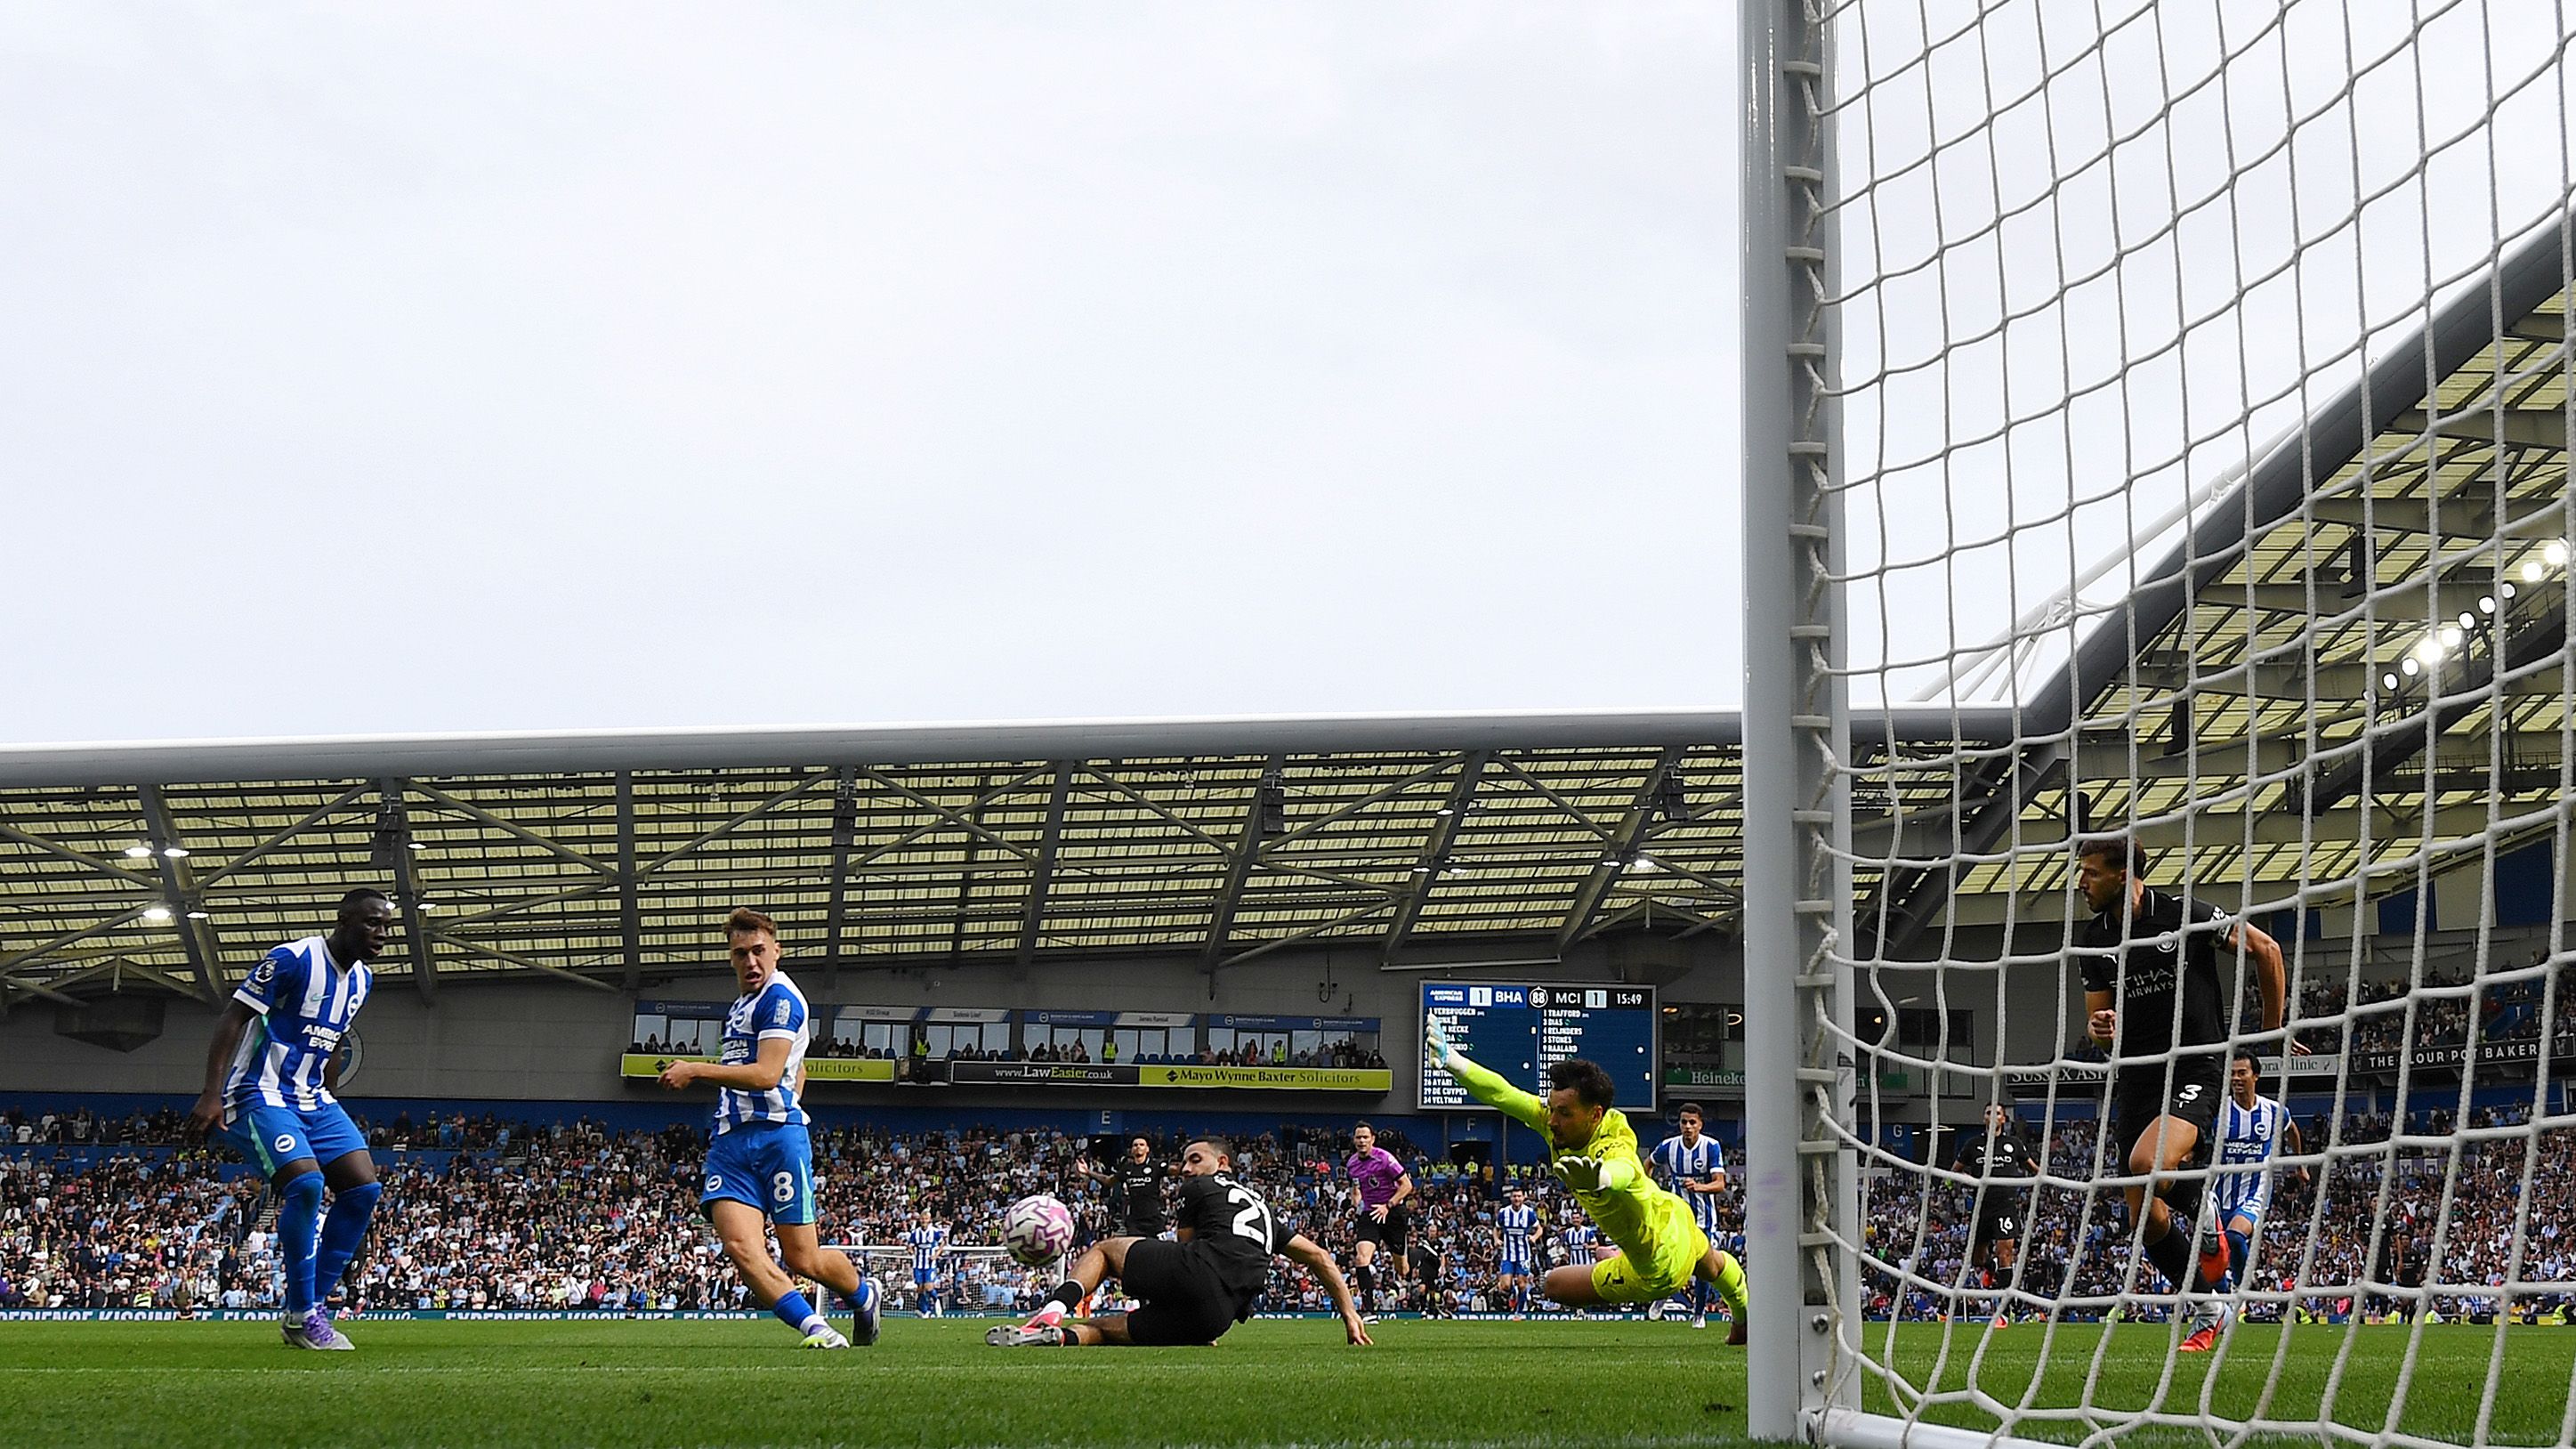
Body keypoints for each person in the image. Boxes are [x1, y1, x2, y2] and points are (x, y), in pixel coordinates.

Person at [2072, 835, 2292, 1354]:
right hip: (2137, 1077)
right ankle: (2208, 1305)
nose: (2081, 883)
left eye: (2091, 873)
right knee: (2142, 1219)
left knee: (2146, 1164)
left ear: (2124, 874)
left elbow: (2267, 950)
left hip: (2196, 1065)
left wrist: (2272, 1029)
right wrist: (2100, 1030)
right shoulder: (2094, 939)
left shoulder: (2182, 914)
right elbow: (2100, 1026)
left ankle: (2203, 1208)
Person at [1424, 1018, 1752, 1343]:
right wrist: (1454, 1061)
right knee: (1712, 1265)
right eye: (1552, 1108)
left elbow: (1627, 1169)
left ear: (1595, 1114)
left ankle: (1628, 1265)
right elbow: (1504, 1094)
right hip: (1673, 1211)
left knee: (1555, 1285)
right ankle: (1742, 1319)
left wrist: (1602, 1177)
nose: (1552, 1120)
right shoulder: (1556, 1120)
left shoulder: (1614, 1138)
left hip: (1660, 1264)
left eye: (1564, 1113)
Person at [658, 907, 881, 1349]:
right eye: (741, 953)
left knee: (803, 1258)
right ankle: (816, 1329)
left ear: (777, 951)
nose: (751, 961)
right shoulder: (742, 1005)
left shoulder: (781, 998)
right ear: (731, 958)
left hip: (778, 1140)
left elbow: (765, 1074)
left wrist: (696, 1069)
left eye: (759, 951)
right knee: (741, 1248)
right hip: (731, 1142)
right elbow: (796, 1069)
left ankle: (863, 1294)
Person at [187, 887, 395, 1350]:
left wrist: (330, 1101)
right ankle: (303, 1316)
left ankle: (310, 1308)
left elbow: (334, 1042)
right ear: (343, 921)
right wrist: (211, 1093)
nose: (381, 933)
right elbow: (233, 1017)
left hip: (313, 1099)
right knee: (306, 1185)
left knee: (363, 1189)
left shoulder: (362, 980)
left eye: (386, 925)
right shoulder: (293, 959)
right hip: (259, 1091)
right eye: (372, 923)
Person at [987, 1134, 1369, 1348]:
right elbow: (1320, 1257)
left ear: (1222, 1163)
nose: (1186, 1168)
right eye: (1184, 1162)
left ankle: (1053, 1309)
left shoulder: (1200, 1188)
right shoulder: (1265, 1212)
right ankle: (1058, 1338)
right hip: (1215, 1320)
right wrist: (1349, 1314)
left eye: (1195, 1159)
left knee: (1104, 1249)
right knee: (1104, 1329)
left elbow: (1187, 1250)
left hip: (1196, 1272)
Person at [2203, 1049, 2306, 1301]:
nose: (2236, 1078)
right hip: (2218, 1194)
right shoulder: (2218, 1111)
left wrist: (2300, 1163)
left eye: (2242, 1073)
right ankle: (2224, 1298)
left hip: (2254, 1192)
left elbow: (2292, 1130)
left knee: (2235, 1237)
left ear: (2255, 1076)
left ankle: (2241, 1287)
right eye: (2232, 1074)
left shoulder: (2273, 1111)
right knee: (2214, 1253)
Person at [1949, 1103, 2037, 1329]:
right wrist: (1961, 1180)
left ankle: (2005, 1312)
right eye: (1989, 1113)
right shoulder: (1973, 1145)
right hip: (1981, 1208)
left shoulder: (2013, 1144)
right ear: (1984, 1118)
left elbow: (2034, 1169)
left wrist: (2042, 1179)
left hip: (2005, 1206)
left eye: (1997, 1113)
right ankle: (1991, 1267)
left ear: (2003, 1119)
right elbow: (1954, 1172)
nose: (1993, 1116)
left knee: (2005, 1253)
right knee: (1977, 1259)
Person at [1648, 1102, 1732, 1329]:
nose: (1687, 1126)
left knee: (1703, 1267)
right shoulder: (1669, 1146)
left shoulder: (1711, 1147)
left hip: (1704, 1219)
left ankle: (1699, 1313)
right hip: (1676, 1216)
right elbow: (1649, 1163)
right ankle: (1662, 1296)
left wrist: (1699, 1187)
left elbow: (1720, 1184)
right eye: (1684, 1122)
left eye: (1692, 1122)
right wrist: (1649, 1190)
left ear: (1700, 1125)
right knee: (1669, 1257)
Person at [1344, 1121, 1415, 1316]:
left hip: (1393, 1212)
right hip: (1370, 1213)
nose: (1362, 1141)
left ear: (1372, 1139)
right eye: (1358, 1137)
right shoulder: (1351, 1164)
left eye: (1365, 1137)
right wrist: (1355, 1205)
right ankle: (1368, 1311)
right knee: (1361, 1258)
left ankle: (1414, 1255)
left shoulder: (1385, 1158)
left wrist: (1387, 1206)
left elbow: (1407, 1185)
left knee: (1402, 1269)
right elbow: (1356, 1188)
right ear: (1354, 1140)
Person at [1075, 1137, 1173, 1241]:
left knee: (1158, 1250)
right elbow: (1108, 1181)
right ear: (1131, 1150)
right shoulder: (1127, 1169)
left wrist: (1186, 1163)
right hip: (1135, 1223)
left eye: (1141, 1145)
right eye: (1135, 1145)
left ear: (1147, 1149)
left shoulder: (1156, 1165)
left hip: (1154, 1221)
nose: (1138, 1147)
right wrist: (1088, 1172)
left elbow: (1175, 1170)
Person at [1495, 1185, 1541, 1317]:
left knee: (1522, 1285)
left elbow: (1539, 1229)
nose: (1517, 1199)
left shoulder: (1529, 1213)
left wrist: (1534, 1237)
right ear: (1511, 1198)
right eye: (1514, 1196)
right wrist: (1496, 1239)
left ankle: (1519, 1313)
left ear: (1523, 1197)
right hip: (1508, 1255)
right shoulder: (1504, 1212)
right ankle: (1511, 1291)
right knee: (1505, 1286)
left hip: (1523, 1255)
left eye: (1519, 1196)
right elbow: (1496, 1228)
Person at [902, 1209, 949, 1316]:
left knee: (929, 1287)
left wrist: (936, 1255)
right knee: (920, 1289)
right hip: (918, 1265)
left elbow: (943, 1243)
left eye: (926, 1219)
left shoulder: (934, 1232)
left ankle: (936, 1301)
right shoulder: (915, 1233)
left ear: (929, 1220)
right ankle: (925, 1311)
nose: (924, 1221)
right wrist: (910, 1250)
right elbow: (910, 1245)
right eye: (922, 1219)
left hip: (930, 1265)